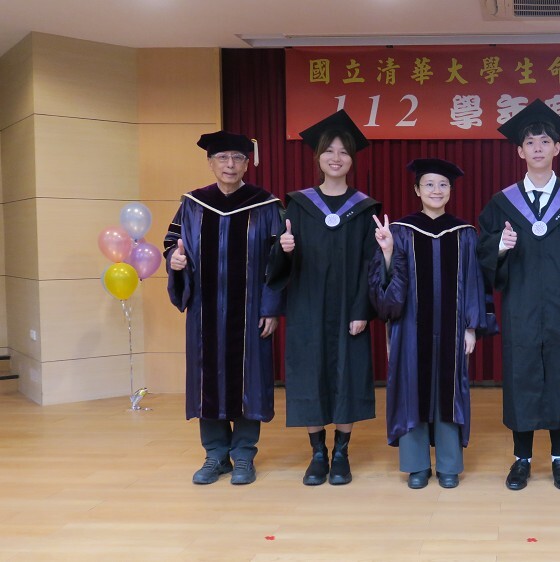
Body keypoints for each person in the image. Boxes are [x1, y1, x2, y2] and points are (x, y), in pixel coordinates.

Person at [477, 99, 560, 491]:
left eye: (545, 141)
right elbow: (482, 249)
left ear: (557, 148)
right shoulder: (503, 203)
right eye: (530, 142)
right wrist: (501, 245)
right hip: (521, 304)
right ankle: (522, 458)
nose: (537, 148)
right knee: (522, 375)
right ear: (519, 151)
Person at [267, 110, 382, 486]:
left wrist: (362, 309)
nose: (336, 157)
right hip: (307, 307)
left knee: (348, 375)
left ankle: (342, 453)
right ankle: (318, 453)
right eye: (329, 151)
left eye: (344, 151)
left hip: (350, 308)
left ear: (352, 159)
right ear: (317, 158)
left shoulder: (365, 209)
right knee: (310, 375)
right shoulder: (298, 206)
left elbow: (371, 265)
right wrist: (283, 250)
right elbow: (278, 264)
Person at [164, 131, 283, 486]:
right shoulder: (193, 204)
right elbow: (172, 242)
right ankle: (215, 454)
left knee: (250, 379)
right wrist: (175, 261)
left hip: (250, 311)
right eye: (222, 158)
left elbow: (278, 259)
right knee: (207, 379)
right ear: (210, 162)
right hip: (205, 311)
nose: (230, 164)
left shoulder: (265, 204)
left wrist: (271, 307)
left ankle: (244, 454)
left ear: (247, 164)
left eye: (237, 158)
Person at [369, 158, 487, 489]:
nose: (436, 190)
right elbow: (386, 287)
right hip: (410, 327)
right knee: (412, 388)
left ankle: (449, 464)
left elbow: (474, 281)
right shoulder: (400, 231)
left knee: (450, 391)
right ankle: (416, 464)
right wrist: (388, 252)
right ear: (417, 190)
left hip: (453, 328)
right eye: (429, 184)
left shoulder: (465, 233)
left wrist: (471, 327)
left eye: (443, 185)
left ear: (451, 190)